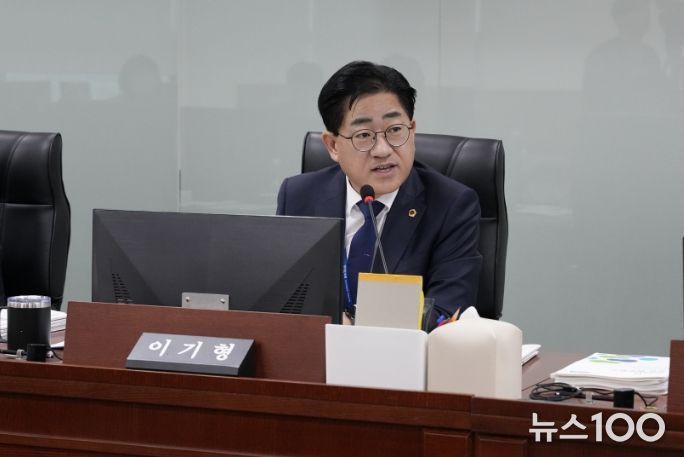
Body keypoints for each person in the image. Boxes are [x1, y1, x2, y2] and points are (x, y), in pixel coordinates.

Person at [276, 60, 481, 330]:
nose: (383, 150)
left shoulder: (451, 205)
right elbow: (283, 299)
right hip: (319, 351)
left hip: (404, 354)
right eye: (363, 135)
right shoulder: (299, 196)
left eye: (395, 130)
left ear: (412, 130)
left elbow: (445, 313)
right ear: (333, 145)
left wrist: (357, 331)